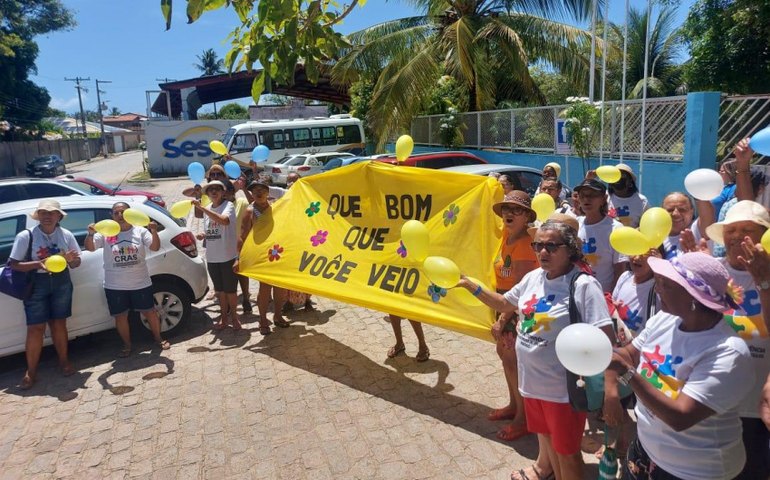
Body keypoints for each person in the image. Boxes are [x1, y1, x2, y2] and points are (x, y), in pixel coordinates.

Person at [458, 221, 615, 480]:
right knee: (550, 443)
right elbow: (503, 301)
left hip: (562, 390)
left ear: (570, 249)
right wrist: (470, 285)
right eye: (538, 245)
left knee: (568, 454)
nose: (543, 252)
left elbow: (605, 340)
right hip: (532, 385)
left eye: (551, 246)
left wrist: (609, 393)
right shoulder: (533, 278)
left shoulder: (583, 285)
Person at [606, 252, 754, 480]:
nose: (657, 289)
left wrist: (626, 373)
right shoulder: (665, 320)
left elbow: (680, 417)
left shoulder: (727, 352)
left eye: (666, 284)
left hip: (694, 471)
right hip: (645, 451)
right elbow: (628, 354)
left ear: (694, 297)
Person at [703, 200, 770, 479]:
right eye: (730, 229)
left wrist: (764, 281)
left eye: (746, 229)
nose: (736, 236)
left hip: (757, 407)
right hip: (714, 401)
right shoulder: (711, 272)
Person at [10, 200, 81, 389]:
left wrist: (72, 260)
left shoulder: (66, 235)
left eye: (51, 213)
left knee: (59, 323)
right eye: (43, 213)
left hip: (61, 282)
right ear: (38, 216)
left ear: (59, 216)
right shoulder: (26, 236)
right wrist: (38, 263)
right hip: (36, 283)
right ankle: (31, 372)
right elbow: (14, 264)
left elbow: (76, 263)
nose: (47, 216)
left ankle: (64, 362)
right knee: (36, 328)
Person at [84, 202, 170, 356]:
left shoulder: (140, 231)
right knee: (120, 316)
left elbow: (155, 247)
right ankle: (127, 345)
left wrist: (154, 231)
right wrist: (90, 234)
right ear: (112, 215)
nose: (120, 215)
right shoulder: (106, 232)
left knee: (150, 312)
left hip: (140, 283)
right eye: (116, 213)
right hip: (115, 285)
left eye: (123, 212)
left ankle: (158, 338)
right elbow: (90, 248)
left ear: (130, 213)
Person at [487, 191, 539, 441]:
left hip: (515, 311)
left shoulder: (526, 245)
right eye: (506, 209)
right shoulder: (507, 237)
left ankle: (524, 419)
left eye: (516, 210)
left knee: (514, 363)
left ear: (527, 216)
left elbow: (520, 290)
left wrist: (502, 320)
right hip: (503, 305)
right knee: (506, 358)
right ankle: (513, 406)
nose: (509, 213)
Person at [239, 178, 289, 335]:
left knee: (280, 288)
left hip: (277, 253)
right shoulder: (250, 211)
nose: (259, 193)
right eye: (255, 191)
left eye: (262, 190)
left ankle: (278, 315)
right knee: (265, 288)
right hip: (261, 255)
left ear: (268, 192)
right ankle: (262, 319)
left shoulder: (275, 208)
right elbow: (243, 236)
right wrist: (239, 258)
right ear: (252, 194)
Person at [192, 180, 241, 330]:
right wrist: (203, 234)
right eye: (210, 189)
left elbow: (224, 221)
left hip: (227, 256)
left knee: (231, 291)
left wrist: (203, 209)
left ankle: (235, 318)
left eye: (217, 189)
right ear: (207, 194)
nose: (214, 191)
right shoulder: (207, 208)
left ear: (223, 192)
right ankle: (224, 318)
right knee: (219, 291)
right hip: (212, 258)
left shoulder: (228, 206)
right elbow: (212, 229)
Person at [575, 178, 628, 292]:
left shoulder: (616, 229)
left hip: (603, 295)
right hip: (576, 293)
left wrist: (611, 298)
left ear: (604, 199)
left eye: (592, 195)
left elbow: (620, 269)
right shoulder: (575, 224)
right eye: (582, 195)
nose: (586, 199)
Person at [224, 178, 253, 313]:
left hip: (241, 243)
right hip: (225, 245)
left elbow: (253, 204)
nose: (224, 196)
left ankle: (246, 298)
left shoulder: (241, 202)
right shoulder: (219, 207)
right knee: (228, 275)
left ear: (232, 192)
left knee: (242, 274)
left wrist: (244, 189)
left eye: (226, 192)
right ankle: (230, 303)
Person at [608, 163, 649, 228]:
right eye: (615, 177)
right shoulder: (604, 198)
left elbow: (646, 226)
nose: (618, 181)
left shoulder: (641, 201)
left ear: (630, 182)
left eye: (623, 178)